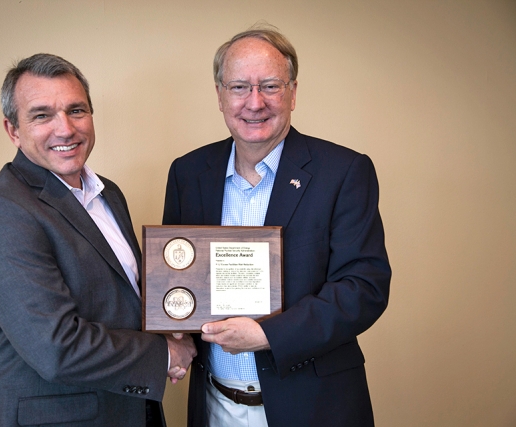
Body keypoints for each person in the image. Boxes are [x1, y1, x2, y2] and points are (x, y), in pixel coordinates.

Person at [162, 26, 391, 427]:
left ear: (293, 92)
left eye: (270, 85)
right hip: (215, 405)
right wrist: (175, 335)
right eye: (239, 87)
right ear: (219, 95)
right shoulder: (188, 172)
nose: (255, 102)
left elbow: (364, 288)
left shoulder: (343, 171)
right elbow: (176, 279)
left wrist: (269, 334)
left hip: (315, 407)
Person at [0, 53, 196, 427]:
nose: (65, 129)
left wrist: (181, 316)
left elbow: (119, 299)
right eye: (42, 115)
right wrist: (165, 353)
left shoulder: (108, 194)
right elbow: (55, 347)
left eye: (76, 110)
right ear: (13, 130)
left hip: (129, 410)